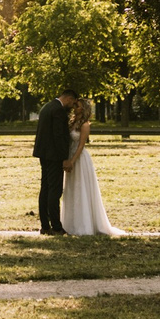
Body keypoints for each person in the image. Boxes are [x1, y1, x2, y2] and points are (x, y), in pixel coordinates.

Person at [60, 94, 124, 236]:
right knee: (71, 189)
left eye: (77, 106)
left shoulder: (85, 125)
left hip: (80, 158)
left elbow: (81, 145)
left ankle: (85, 224)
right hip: (70, 155)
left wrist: (72, 161)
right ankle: (70, 224)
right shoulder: (72, 122)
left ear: (84, 109)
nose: (75, 108)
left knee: (81, 188)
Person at [32, 87, 74, 234]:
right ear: (69, 98)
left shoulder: (47, 107)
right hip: (54, 155)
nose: (72, 106)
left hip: (43, 153)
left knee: (45, 188)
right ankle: (56, 226)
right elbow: (58, 135)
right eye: (73, 102)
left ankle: (45, 225)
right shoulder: (58, 110)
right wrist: (64, 157)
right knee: (54, 190)